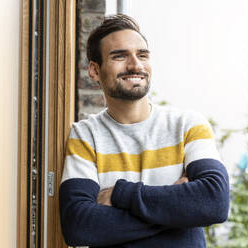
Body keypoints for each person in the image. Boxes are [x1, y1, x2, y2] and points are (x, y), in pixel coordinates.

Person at [59, 14, 229, 248]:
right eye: (119, 56)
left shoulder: (188, 125)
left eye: (142, 55)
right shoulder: (86, 136)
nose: (135, 65)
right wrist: (178, 211)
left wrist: (122, 194)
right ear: (95, 71)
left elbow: (214, 202)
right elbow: (79, 225)